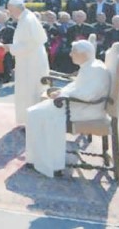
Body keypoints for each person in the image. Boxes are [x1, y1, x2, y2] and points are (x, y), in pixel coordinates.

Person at [24, 39, 110, 177]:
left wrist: (62, 94)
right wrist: (61, 92)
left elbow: (88, 95)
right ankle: (38, 158)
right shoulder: (89, 65)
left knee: (36, 114)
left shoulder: (95, 69)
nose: (70, 55)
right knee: (34, 112)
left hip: (86, 111)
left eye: (73, 52)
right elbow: (78, 86)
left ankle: (50, 163)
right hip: (79, 106)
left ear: (84, 54)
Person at [0, 0, 50, 127]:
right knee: (26, 90)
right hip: (28, 59)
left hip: (32, 61)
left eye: (11, 10)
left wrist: (10, 48)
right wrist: (12, 47)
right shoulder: (25, 18)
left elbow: (31, 43)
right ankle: (29, 120)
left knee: (31, 90)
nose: (10, 13)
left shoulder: (27, 20)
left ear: (16, 8)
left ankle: (33, 122)